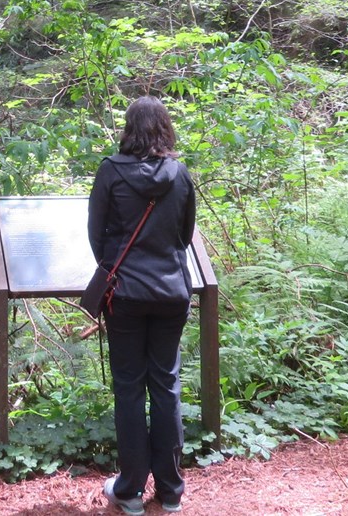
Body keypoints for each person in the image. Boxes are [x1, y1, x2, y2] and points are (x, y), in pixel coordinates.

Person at [88, 96, 196, 515]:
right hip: (171, 293)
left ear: (128, 128)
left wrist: (119, 266)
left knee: (129, 388)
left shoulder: (111, 172)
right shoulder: (180, 174)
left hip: (126, 295)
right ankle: (170, 492)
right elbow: (184, 236)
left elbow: (97, 237)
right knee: (166, 385)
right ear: (165, 128)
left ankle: (129, 490)